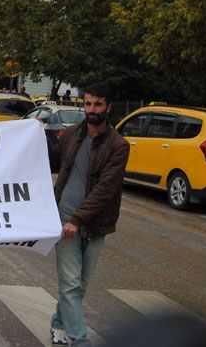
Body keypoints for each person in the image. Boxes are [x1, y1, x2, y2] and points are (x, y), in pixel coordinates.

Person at [46, 82, 130, 347]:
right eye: (88, 104)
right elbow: (52, 161)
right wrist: (38, 136)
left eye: (97, 104)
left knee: (79, 287)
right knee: (70, 284)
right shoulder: (71, 134)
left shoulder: (119, 146)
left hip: (94, 225)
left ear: (108, 107)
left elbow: (105, 190)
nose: (92, 109)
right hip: (63, 220)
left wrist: (77, 220)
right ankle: (80, 340)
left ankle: (59, 324)